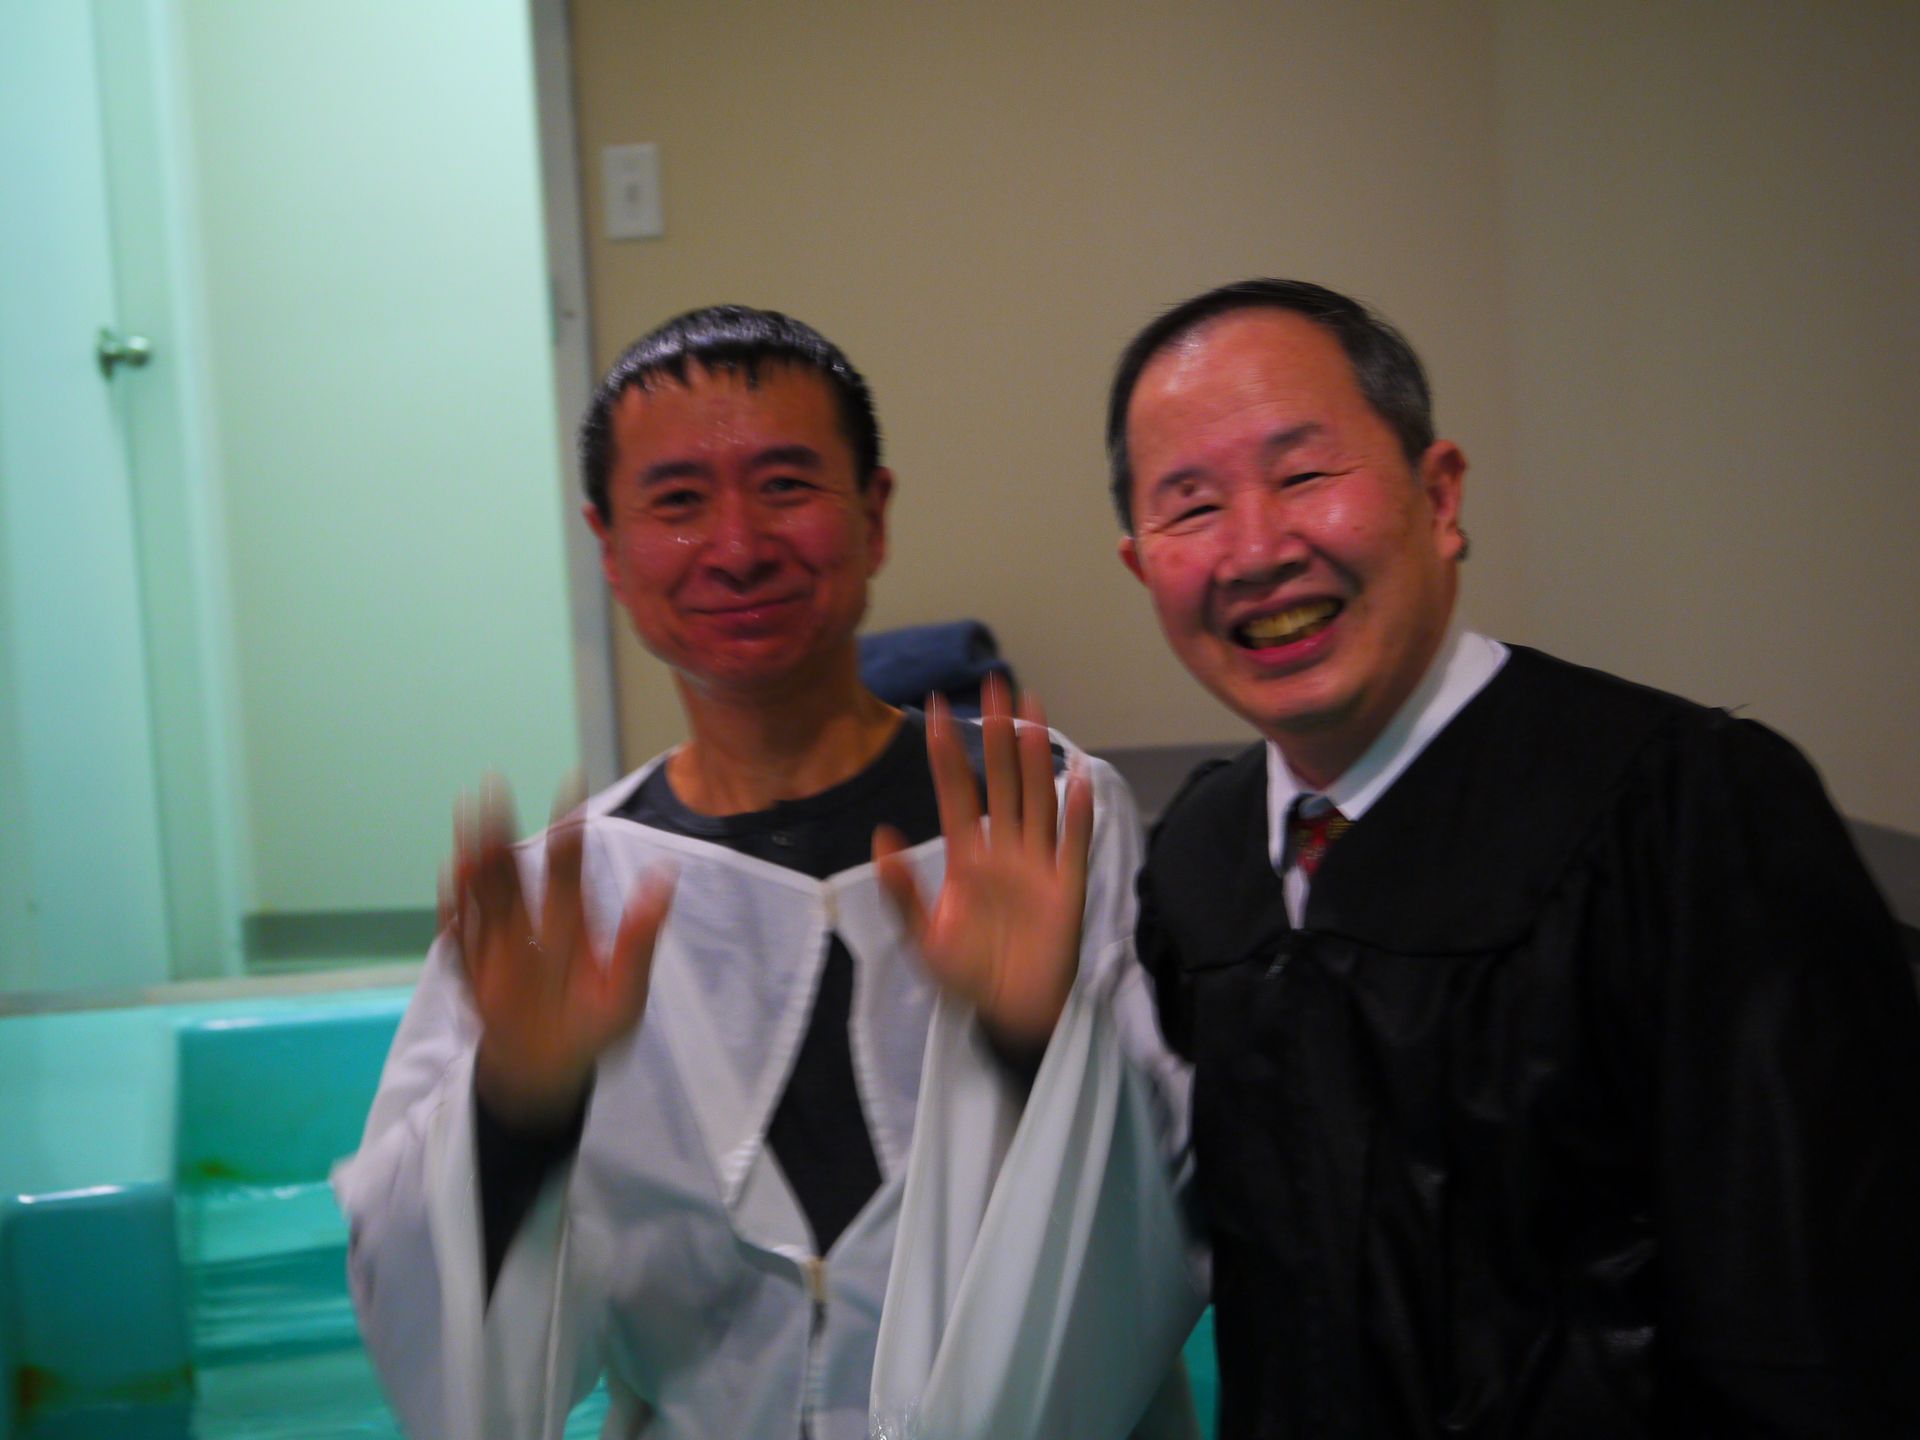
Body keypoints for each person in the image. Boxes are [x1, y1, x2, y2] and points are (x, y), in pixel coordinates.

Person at [331, 306, 1194, 1440]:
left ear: (873, 516)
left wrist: (1039, 1042)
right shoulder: (562, 906)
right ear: (609, 548)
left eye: (786, 486)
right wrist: (514, 1114)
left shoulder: (1048, 822)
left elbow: (1183, 1226)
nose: (737, 547)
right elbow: (419, 1321)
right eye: (678, 502)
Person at [1102, 278, 1920, 1436]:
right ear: (1143, 568)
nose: (1255, 548)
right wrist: (1026, 1034)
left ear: (1438, 495)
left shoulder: (1691, 814)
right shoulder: (1199, 860)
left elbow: (1823, 1330)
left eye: (1304, 473)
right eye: (1191, 506)